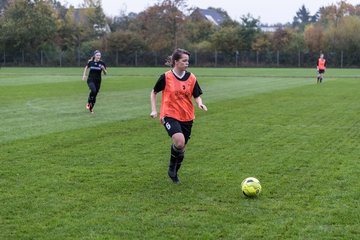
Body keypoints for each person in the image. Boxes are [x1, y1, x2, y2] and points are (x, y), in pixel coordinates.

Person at [150, 48, 207, 184]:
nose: (187, 63)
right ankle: (171, 167)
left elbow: (196, 95)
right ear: (176, 62)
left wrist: (200, 103)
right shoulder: (166, 77)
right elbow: (153, 92)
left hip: (187, 116)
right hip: (169, 114)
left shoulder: (191, 77)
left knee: (181, 148)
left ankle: (174, 171)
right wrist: (154, 110)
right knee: (179, 142)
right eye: (184, 61)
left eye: (188, 61)